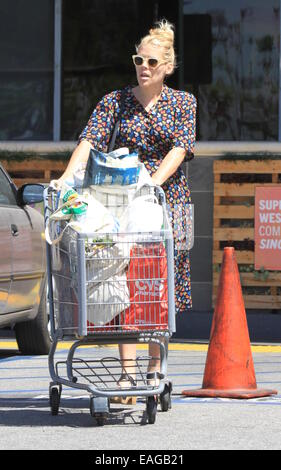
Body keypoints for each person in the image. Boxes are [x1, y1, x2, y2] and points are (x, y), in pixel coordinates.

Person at [55, 19, 197, 402]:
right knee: (122, 273)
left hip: (168, 198)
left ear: (167, 66)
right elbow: (90, 139)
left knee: (157, 280)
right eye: (139, 59)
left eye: (152, 61)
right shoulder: (115, 101)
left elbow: (180, 149)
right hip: (123, 200)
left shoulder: (184, 103)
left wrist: (152, 181)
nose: (143, 66)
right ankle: (127, 374)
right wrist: (65, 179)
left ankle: (155, 363)